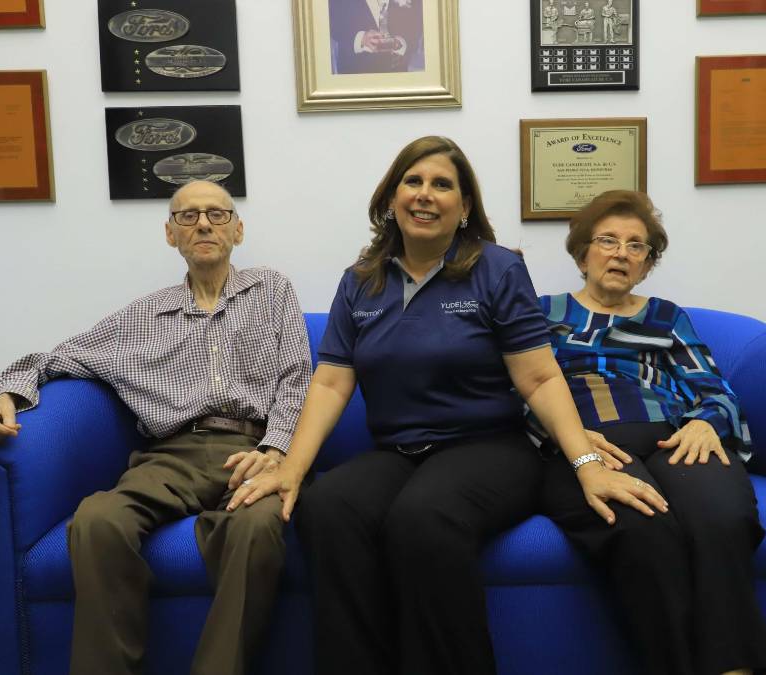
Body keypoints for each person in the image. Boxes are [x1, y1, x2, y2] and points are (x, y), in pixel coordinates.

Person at [230, 137, 656, 675]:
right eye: (413, 181)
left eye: (442, 184)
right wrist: (292, 468)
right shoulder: (361, 280)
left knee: (424, 517)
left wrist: (586, 465)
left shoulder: (497, 269)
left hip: (490, 448)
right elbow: (332, 384)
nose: (425, 194)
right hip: (399, 450)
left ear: (465, 206)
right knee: (328, 507)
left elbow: (540, 377)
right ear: (391, 198)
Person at [0, 179, 312, 675]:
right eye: (188, 216)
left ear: (237, 230)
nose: (203, 224)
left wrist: (276, 449)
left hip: (254, 446)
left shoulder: (272, 290)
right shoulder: (140, 317)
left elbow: (297, 378)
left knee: (258, 527)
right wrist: (6, 395)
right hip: (173, 453)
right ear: (170, 234)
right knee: (98, 519)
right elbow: (53, 359)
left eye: (216, 214)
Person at [532, 190, 766, 675]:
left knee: (723, 517)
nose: (621, 253)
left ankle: (735, 668)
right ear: (582, 254)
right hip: (589, 442)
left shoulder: (666, 317)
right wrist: (567, 437)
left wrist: (706, 422)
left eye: (636, 246)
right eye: (608, 241)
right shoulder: (543, 313)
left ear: (647, 265)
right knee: (644, 530)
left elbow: (715, 387)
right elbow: (521, 388)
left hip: (672, 434)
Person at [328, 0, 424, 74]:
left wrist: (403, 42)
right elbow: (332, 19)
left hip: (398, 71)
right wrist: (361, 38)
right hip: (357, 71)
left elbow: (417, 17)